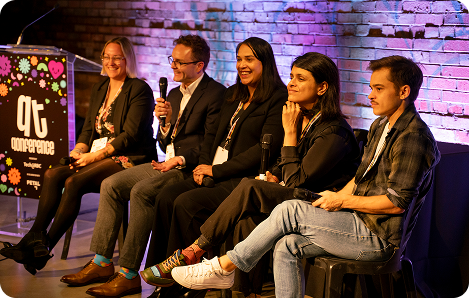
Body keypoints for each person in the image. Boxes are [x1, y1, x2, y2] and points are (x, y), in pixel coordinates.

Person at [169, 55, 441, 298]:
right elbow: (359, 180)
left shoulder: (412, 137)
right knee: (287, 245)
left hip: (378, 238)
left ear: (404, 91)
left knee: (289, 210)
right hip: (357, 222)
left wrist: (341, 202)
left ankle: (225, 266)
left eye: (379, 89)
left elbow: (396, 202)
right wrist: (336, 197)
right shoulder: (381, 124)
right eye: (371, 87)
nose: (370, 95)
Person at [141, 52, 361, 298]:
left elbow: (299, 180)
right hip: (295, 197)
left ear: (322, 87)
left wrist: (289, 134)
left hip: (321, 207)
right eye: (291, 76)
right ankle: (244, 293)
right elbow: (284, 167)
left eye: (300, 79)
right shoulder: (304, 117)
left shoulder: (334, 131)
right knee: (246, 214)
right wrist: (273, 176)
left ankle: (193, 252)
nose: (291, 83)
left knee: (247, 186)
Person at [58, 35, 226, 298]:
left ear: (200, 65)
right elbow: (164, 140)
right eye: (173, 60)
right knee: (111, 185)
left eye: (180, 62)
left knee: (141, 191)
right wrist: (166, 124)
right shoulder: (173, 93)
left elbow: (210, 144)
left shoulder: (216, 94)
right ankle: (102, 262)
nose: (173, 67)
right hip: (166, 162)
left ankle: (128, 274)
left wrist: (180, 160)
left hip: (186, 167)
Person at [141, 37, 288, 297]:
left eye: (249, 59)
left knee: (186, 203)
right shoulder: (234, 93)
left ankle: (180, 285)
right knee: (165, 197)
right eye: (239, 58)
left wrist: (217, 171)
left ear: (265, 62)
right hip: (214, 169)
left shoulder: (277, 97)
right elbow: (213, 136)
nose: (242, 65)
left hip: (241, 178)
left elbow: (264, 150)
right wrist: (203, 165)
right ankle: (160, 275)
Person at [0, 37, 156, 274]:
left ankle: (42, 246)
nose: (111, 62)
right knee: (53, 174)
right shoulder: (100, 88)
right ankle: (34, 242)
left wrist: (95, 157)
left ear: (127, 60)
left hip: (130, 158)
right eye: (107, 56)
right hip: (98, 155)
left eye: (117, 57)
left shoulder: (139, 89)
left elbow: (130, 136)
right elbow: (87, 130)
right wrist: (79, 150)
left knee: (74, 181)